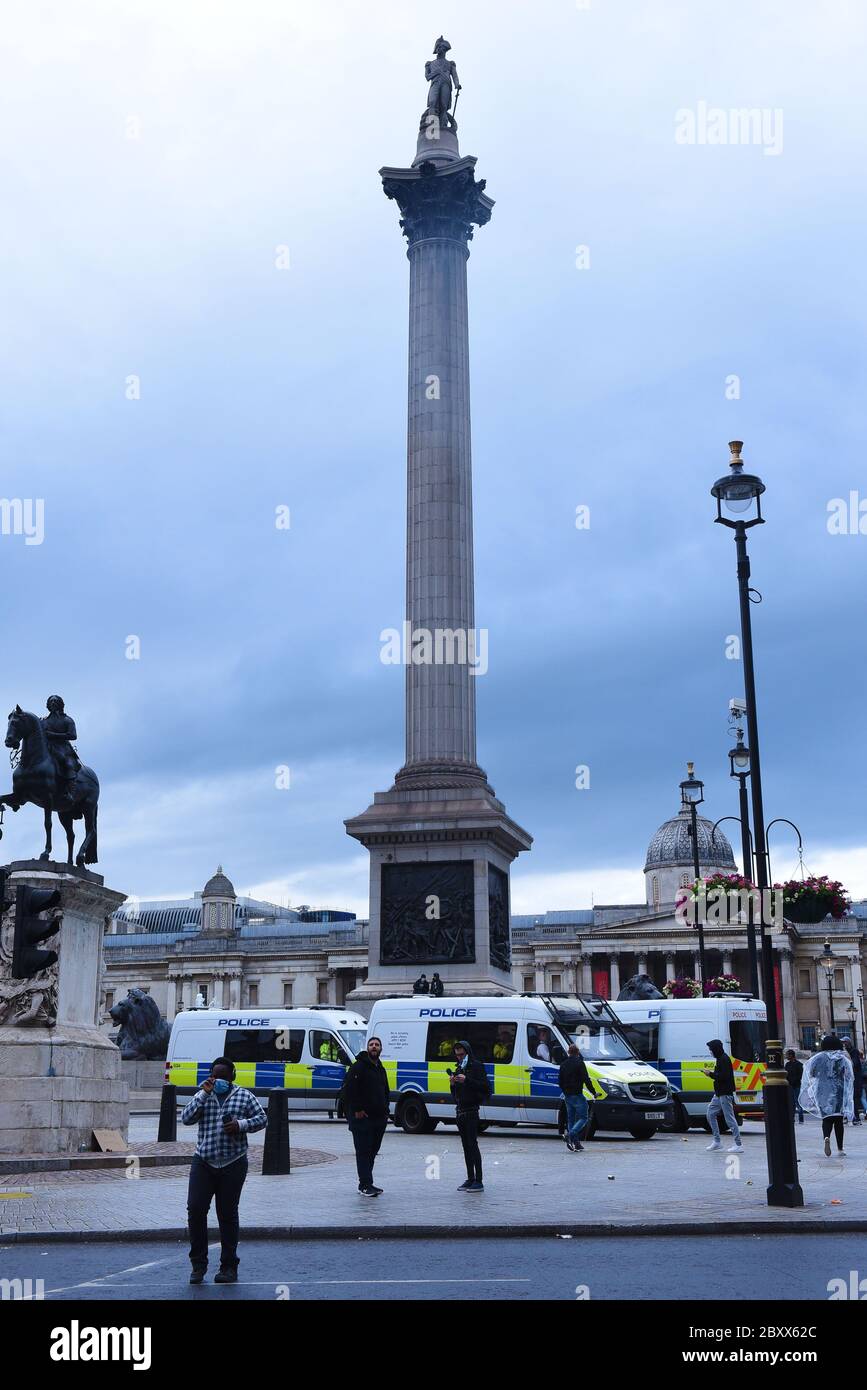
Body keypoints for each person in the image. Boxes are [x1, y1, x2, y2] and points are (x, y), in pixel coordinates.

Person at [181, 1056, 267, 1285]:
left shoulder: (243, 1095)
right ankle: (198, 1265)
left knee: (227, 1214)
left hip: (233, 1162)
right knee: (196, 1209)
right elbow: (186, 1119)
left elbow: (262, 1118)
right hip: (204, 1161)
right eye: (214, 1076)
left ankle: (229, 1267)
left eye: (223, 1077)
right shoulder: (203, 1094)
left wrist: (240, 1125)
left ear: (232, 1078)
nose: (218, 1080)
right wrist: (203, 1094)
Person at [344, 1036, 390, 1196]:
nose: (374, 1047)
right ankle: (364, 1184)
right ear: (367, 1048)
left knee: (372, 1151)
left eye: (377, 1045)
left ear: (381, 1049)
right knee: (363, 1151)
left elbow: (385, 1090)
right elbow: (350, 1089)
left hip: (379, 1118)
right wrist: (357, 1109)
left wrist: (386, 1110)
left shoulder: (380, 1068)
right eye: (371, 1044)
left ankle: (367, 1181)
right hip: (362, 1118)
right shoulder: (359, 1067)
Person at [800, 1034, 855, 1155]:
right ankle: (840, 1149)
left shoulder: (818, 1058)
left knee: (827, 1118)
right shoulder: (842, 1058)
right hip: (839, 1091)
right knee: (838, 1120)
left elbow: (812, 1073)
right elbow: (849, 1075)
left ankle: (826, 1137)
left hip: (822, 1091)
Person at [450, 1040, 491, 1191]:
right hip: (460, 1111)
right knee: (465, 1146)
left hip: (472, 1110)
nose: (460, 1058)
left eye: (462, 1054)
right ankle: (470, 1178)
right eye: (457, 1055)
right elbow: (455, 1095)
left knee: (473, 1145)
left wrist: (467, 1080)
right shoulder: (459, 1067)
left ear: (467, 1052)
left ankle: (479, 1180)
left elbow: (485, 1087)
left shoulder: (476, 1066)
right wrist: (453, 1084)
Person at [558, 1044, 603, 1152]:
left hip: (567, 1095)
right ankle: (571, 1135)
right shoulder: (580, 1063)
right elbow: (586, 1079)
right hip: (577, 1094)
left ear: (569, 1052)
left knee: (571, 1119)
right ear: (577, 1052)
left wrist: (565, 1091)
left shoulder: (563, 1064)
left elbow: (560, 1082)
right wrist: (593, 1092)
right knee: (583, 1117)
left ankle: (576, 1143)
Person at [702, 1039, 744, 1153]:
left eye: (711, 1049)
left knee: (729, 1118)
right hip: (719, 1093)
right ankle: (717, 1142)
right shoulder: (720, 1059)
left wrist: (710, 1074)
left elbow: (723, 1077)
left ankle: (738, 1144)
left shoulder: (724, 1059)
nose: (710, 1052)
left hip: (725, 1093)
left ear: (716, 1049)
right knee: (710, 1113)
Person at [842, 1039, 863, 1124]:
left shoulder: (854, 1051)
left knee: (853, 1098)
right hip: (848, 1078)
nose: (844, 1044)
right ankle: (847, 1116)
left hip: (854, 1079)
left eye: (845, 1042)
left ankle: (856, 1118)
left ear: (849, 1042)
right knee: (847, 1098)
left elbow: (854, 1063)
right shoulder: (845, 1052)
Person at [784, 1049, 805, 1124]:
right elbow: (785, 1074)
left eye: (787, 1055)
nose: (786, 1056)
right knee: (791, 1103)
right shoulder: (787, 1064)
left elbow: (800, 1075)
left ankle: (801, 1119)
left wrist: (793, 1081)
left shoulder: (799, 1064)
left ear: (791, 1055)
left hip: (796, 1086)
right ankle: (792, 1118)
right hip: (790, 1086)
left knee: (798, 1102)